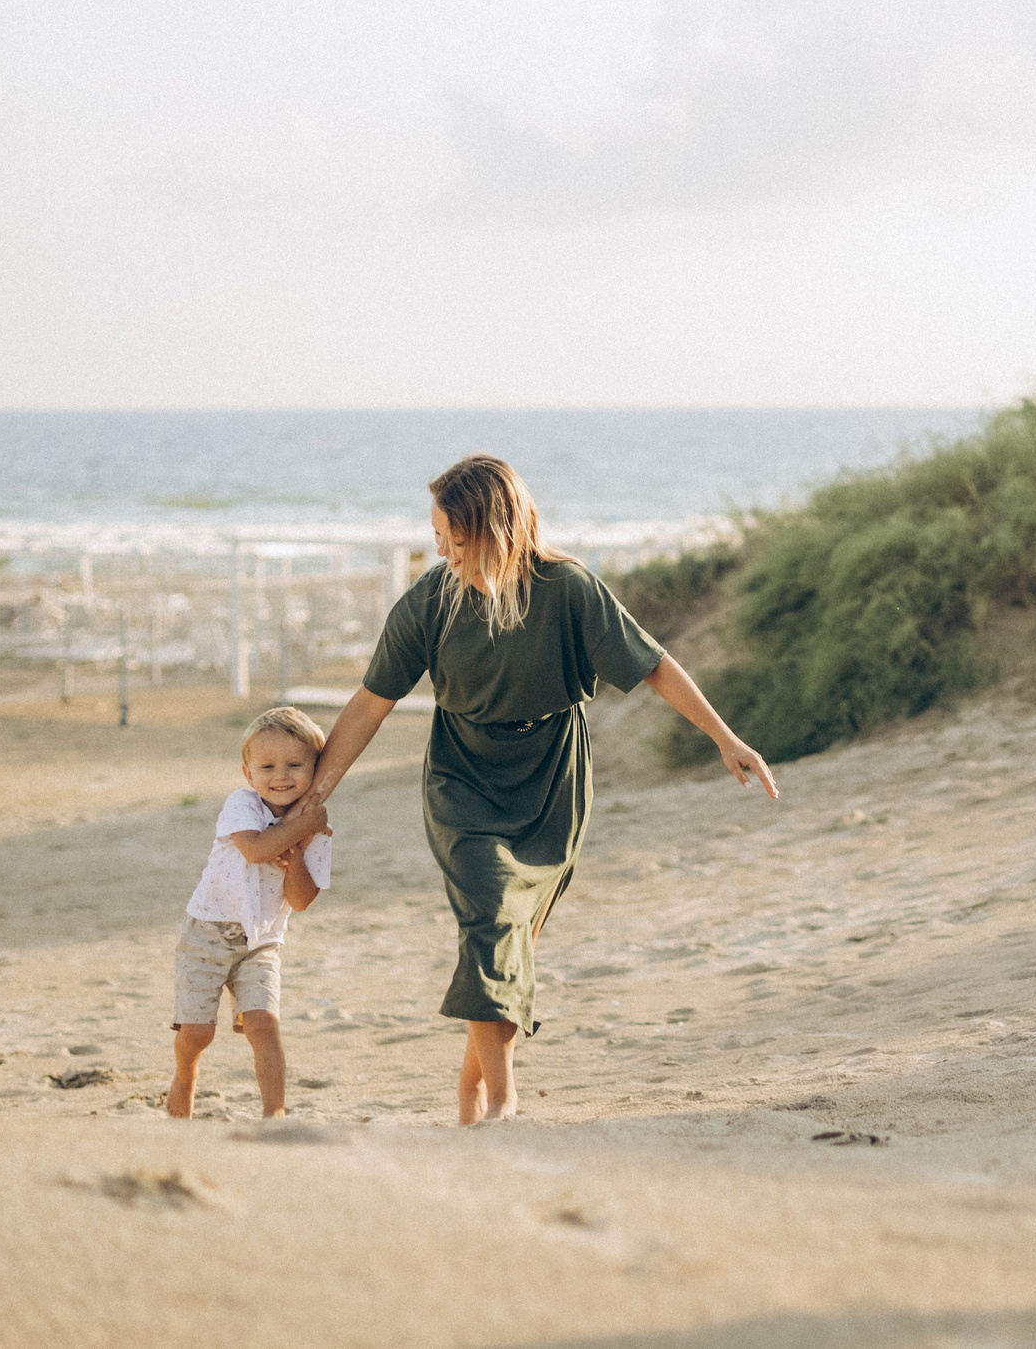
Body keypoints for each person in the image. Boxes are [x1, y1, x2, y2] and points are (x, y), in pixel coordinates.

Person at [308, 454, 777, 1126]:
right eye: (436, 535)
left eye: (451, 536)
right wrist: (314, 793)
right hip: (462, 776)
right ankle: (503, 1097)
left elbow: (654, 666)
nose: (439, 549)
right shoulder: (430, 602)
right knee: (492, 916)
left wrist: (724, 738)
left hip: (551, 778)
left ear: (493, 529)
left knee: (509, 939)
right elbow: (370, 703)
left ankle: (472, 1087)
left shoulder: (569, 590)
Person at [165, 706, 334, 1119]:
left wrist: (296, 855)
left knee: (264, 1025)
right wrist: (305, 825)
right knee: (198, 1033)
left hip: (262, 941)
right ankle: (185, 1075)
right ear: (248, 774)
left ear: (316, 770)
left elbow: (301, 900)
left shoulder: (315, 831)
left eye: (295, 765)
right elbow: (257, 849)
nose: (281, 776)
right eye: (267, 766)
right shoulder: (241, 804)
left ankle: (274, 1114)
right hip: (207, 931)